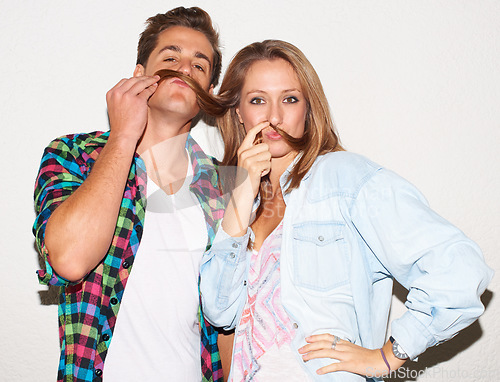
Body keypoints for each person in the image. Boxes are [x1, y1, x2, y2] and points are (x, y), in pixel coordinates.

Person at [199, 40, 494, 381]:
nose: (274, 116)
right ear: (238, 111)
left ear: (308, 108)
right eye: (258, 100)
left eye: (290, 99)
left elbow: (460, 269)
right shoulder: (238, 201)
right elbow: (219, 311)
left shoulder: (346, 180)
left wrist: (387, 357)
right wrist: (243, 193)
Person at [33, 7, 231, 382]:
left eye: (199, 66)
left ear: (207, 93)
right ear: (140, 74)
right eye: (171, 58)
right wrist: (124, 135)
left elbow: (229, 318)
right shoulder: (74, 156)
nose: (185, 69)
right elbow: (70, 261)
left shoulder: (227, 184)